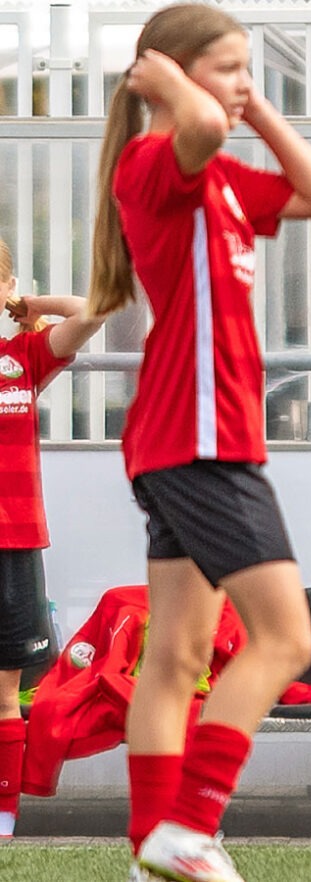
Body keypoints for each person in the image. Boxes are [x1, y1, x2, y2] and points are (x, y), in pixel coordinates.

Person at [88, 4, 311, 881]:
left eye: (252, 71)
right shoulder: (154, 159)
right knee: (287, 641)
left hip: (185, 436)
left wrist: (253, 108)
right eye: (232, 69)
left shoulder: (227, 177)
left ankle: (148, 849)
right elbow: (193, 123)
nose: (245, 87)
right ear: (171, 73)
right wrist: (168, 85)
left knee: (178, 658)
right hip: (197, 438)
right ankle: (191, 826)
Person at [0, 238, 109, 839]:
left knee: (7, 689)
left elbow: (95, 308)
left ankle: (5, 820)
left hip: (13, 543)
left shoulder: (21, 357)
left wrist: (29, 303)